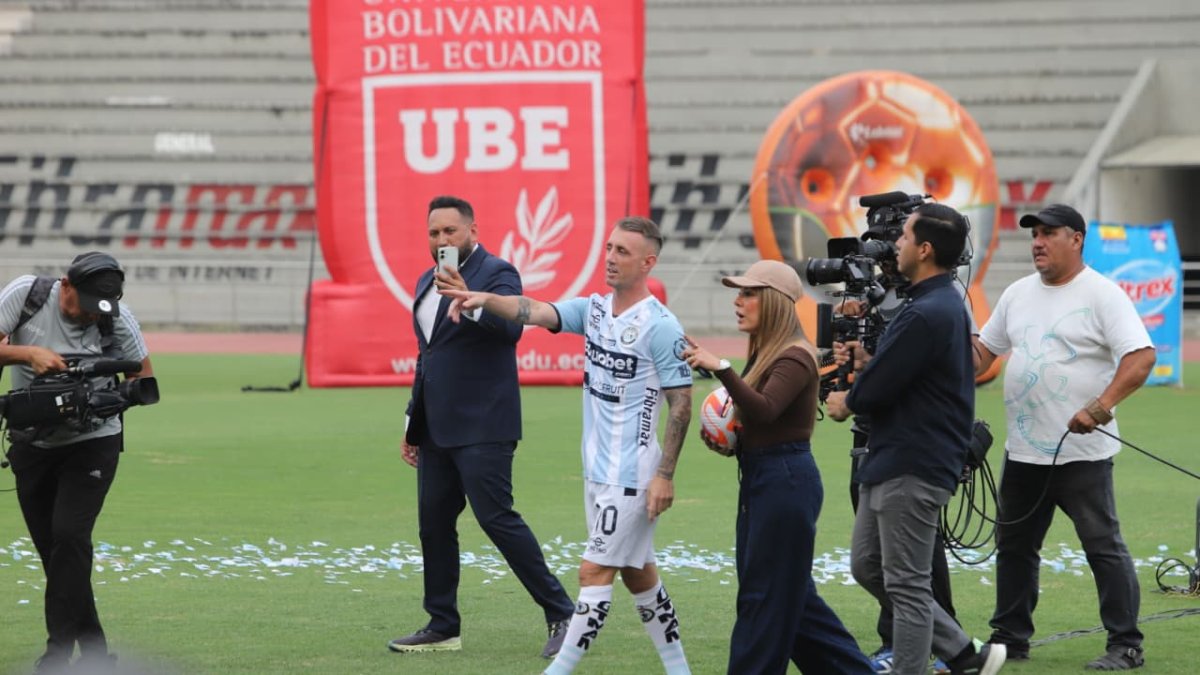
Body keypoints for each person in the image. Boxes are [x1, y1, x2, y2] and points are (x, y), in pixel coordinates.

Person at [442, 216, 693, 675]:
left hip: (633, 474)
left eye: (623, 252)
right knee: (639, 575)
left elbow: (681, 405)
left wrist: (664, 475)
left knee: (592, 572)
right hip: (597, 471)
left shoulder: (660, 326)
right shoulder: (595, 310)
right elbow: (536, 310)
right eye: (610, 248)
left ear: (648, 263)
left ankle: (558, 671)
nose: (611, 258)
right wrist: (484, 299)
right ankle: (680, 671)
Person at [389, 196, 574, 658]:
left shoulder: (498, 272)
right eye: (434, 233)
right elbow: (427, 356)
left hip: (484, 424)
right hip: (435, 428)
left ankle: (563, 612)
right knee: (432, 525)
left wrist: (469, 301)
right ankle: (442, 625)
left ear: (473, 229)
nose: (441, 241)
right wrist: (413, 421)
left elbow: (512, 330)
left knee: (497, 519)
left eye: (450, 231)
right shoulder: (423, 281)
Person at [825, 203, 1005, 675]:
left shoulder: (929, 311)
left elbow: (874, 391)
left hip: (912, 463)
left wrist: (847, 398)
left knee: (904, 585)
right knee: (868, 566)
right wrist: (869, 361)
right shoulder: (934, 306)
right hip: (892, 458)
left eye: (904, 236)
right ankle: (965, 656)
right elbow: (899, 374)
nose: (895, 245)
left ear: (925, 249)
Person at [973, 204, 1154, 671]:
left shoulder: (1102, 295)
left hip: (1081, 453)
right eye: (1034, 233)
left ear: (1076, 239)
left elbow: (1140, 358)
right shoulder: (1017, 293)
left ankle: (1126, 644)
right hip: (1024, 451)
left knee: (1102, 546)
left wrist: (1099, 407)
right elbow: (983, 355)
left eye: (1048, 233)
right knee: (1014, 547)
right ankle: (1010, 638)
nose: (1037, 241)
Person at [680, 260, 874, 675]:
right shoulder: (772, 353)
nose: (738, 300)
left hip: (784, 482)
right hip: (767, 478)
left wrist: (721, 369)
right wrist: (731, 439)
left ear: (773, 303)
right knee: (796, 606)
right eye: (739, 292)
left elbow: (765, 411)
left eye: (748, 293)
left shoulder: (795, 355)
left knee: (763, 600)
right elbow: (758, 419)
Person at [0, 252, 153, 673]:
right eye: (82, 305)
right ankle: (98, 653)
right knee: (56, 554)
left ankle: (57, 655)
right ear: (65, 284)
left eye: (97, 310)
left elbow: (144, 380)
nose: (89, 316)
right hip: (31, 443)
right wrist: (28, 354)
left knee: (69, 537)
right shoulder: (26, 295)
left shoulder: (117, 319)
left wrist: (111, 398)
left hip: (93, 442)